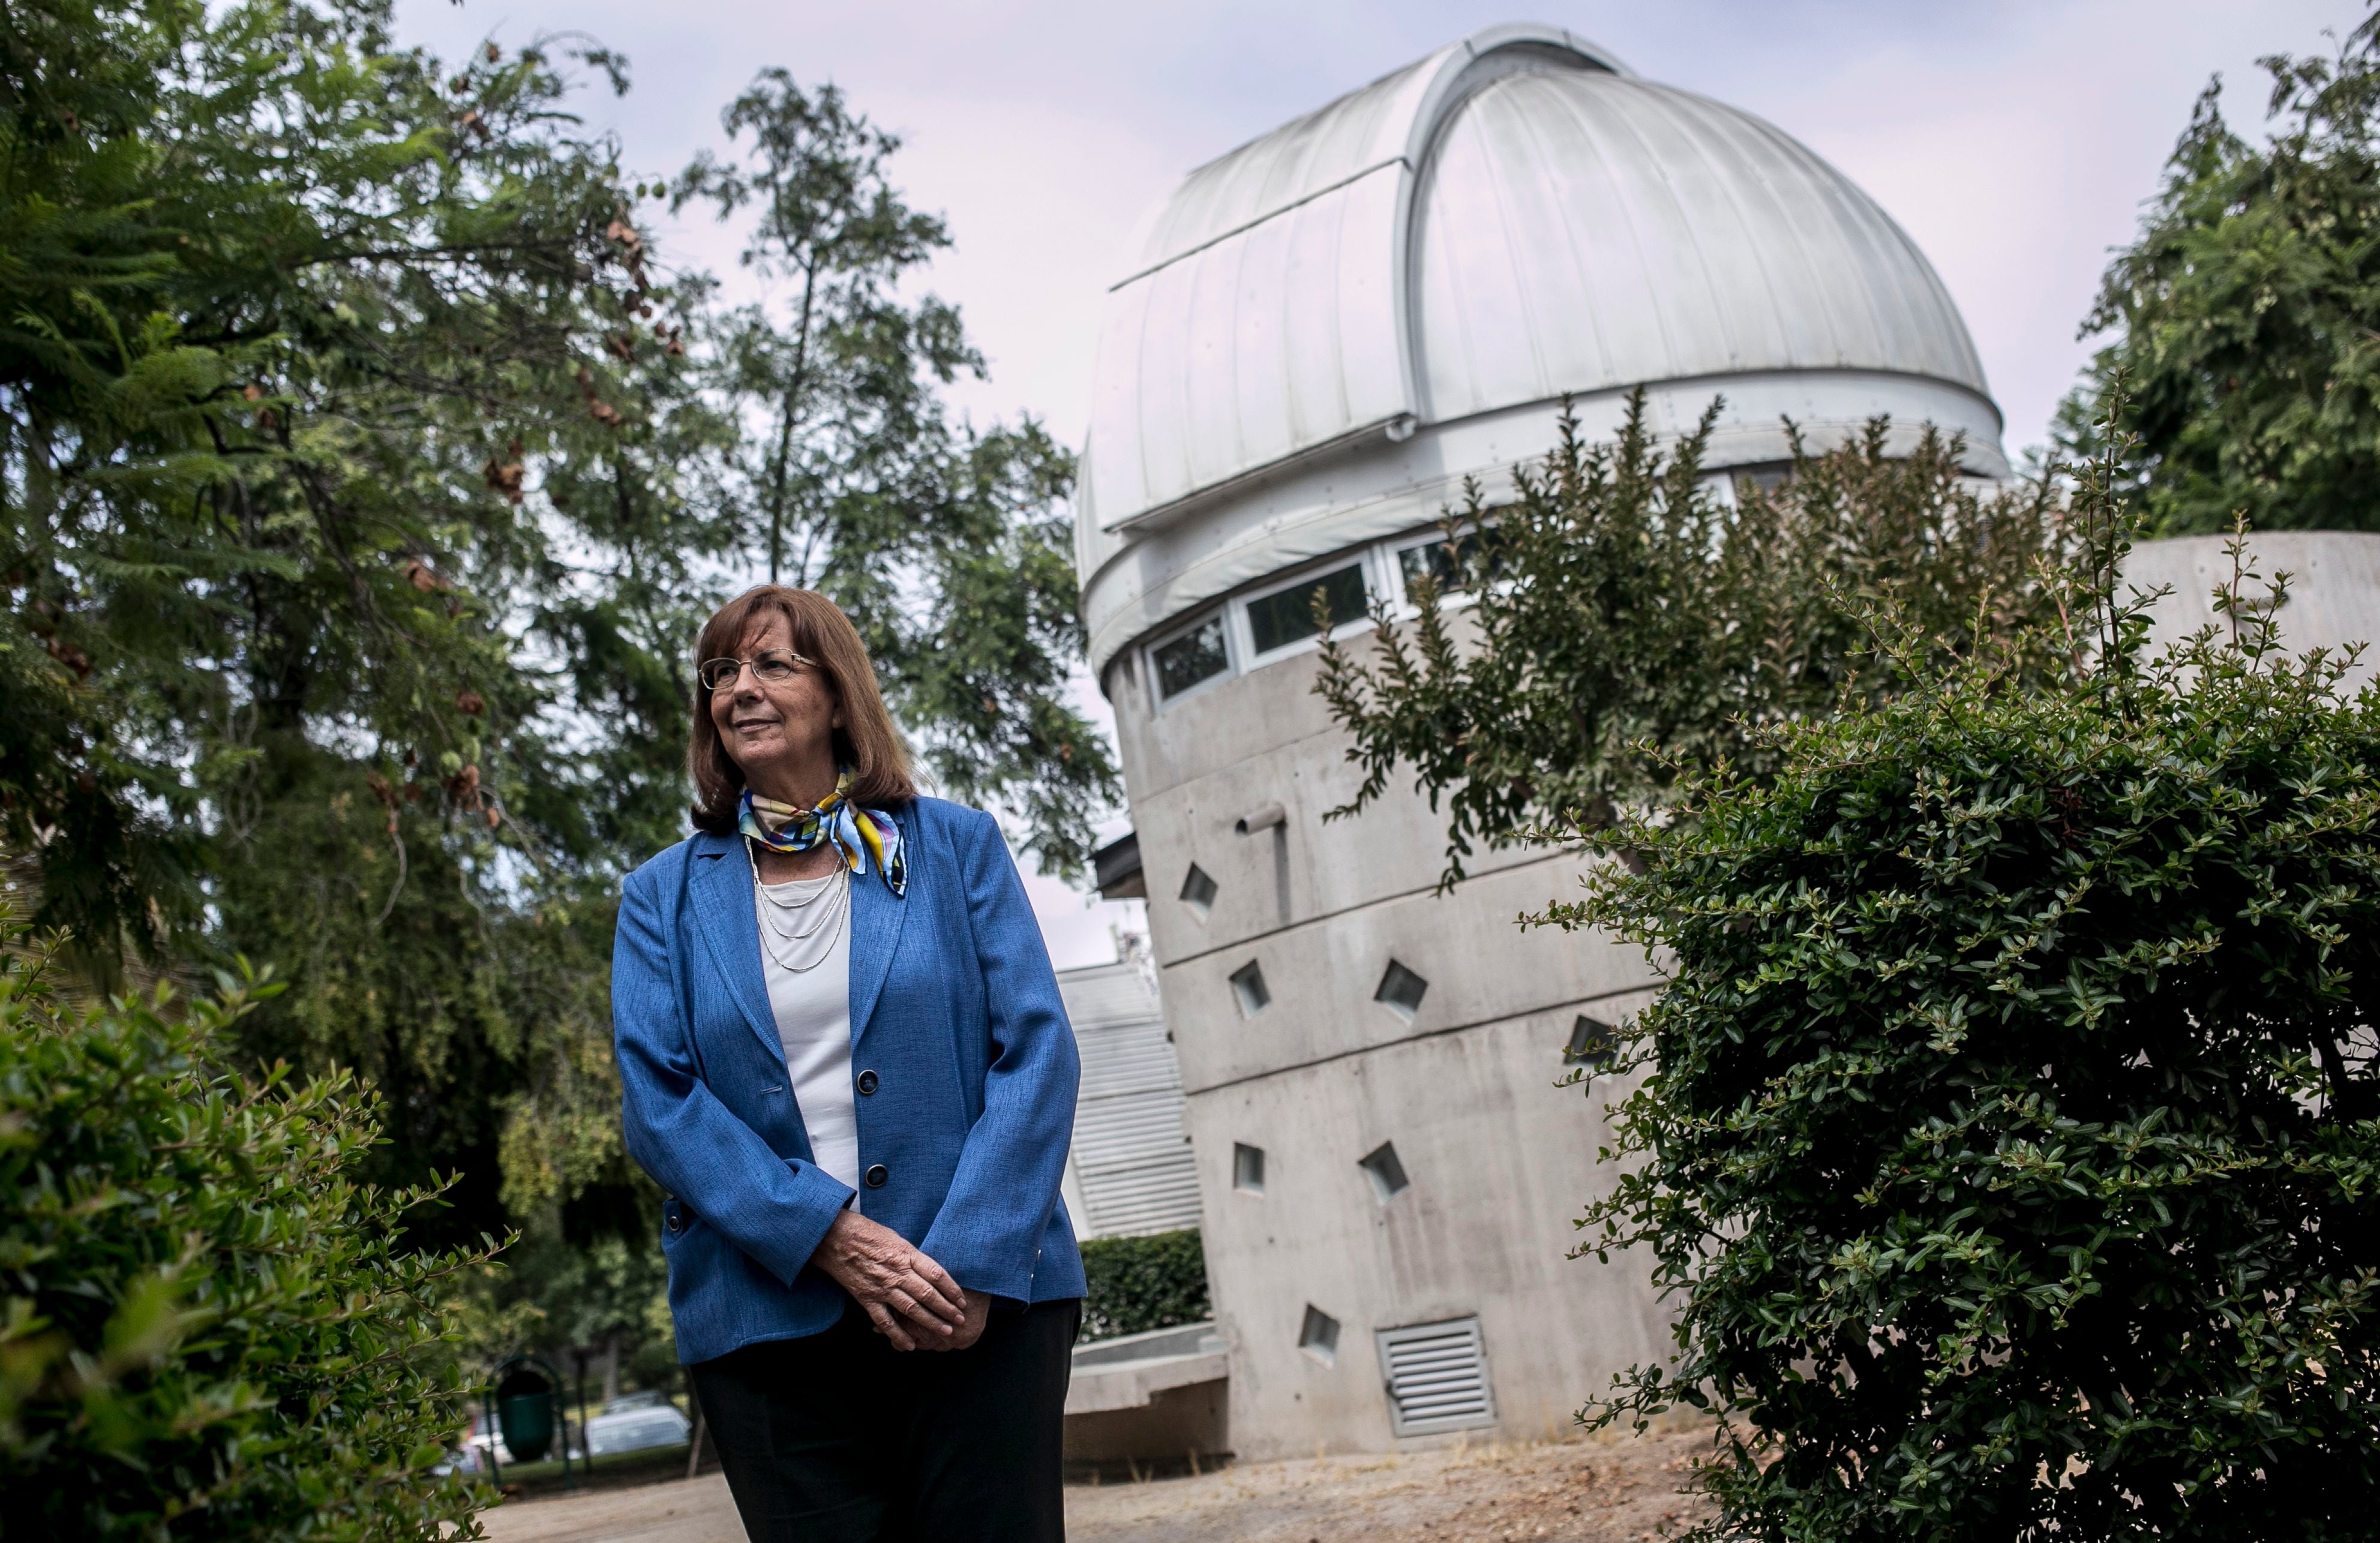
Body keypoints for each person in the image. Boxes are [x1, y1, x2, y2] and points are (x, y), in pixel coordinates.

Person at [612, 586, 1085, 1542]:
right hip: (766, 1323)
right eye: (721, 672)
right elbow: (659, 1101)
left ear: (837, 695)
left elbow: (1036, 1050)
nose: (739, 689)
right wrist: (827, 1237)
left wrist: (969, 1265)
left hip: (976, 1306)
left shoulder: (955, 847)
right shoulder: (659, 896)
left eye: (771, 665)